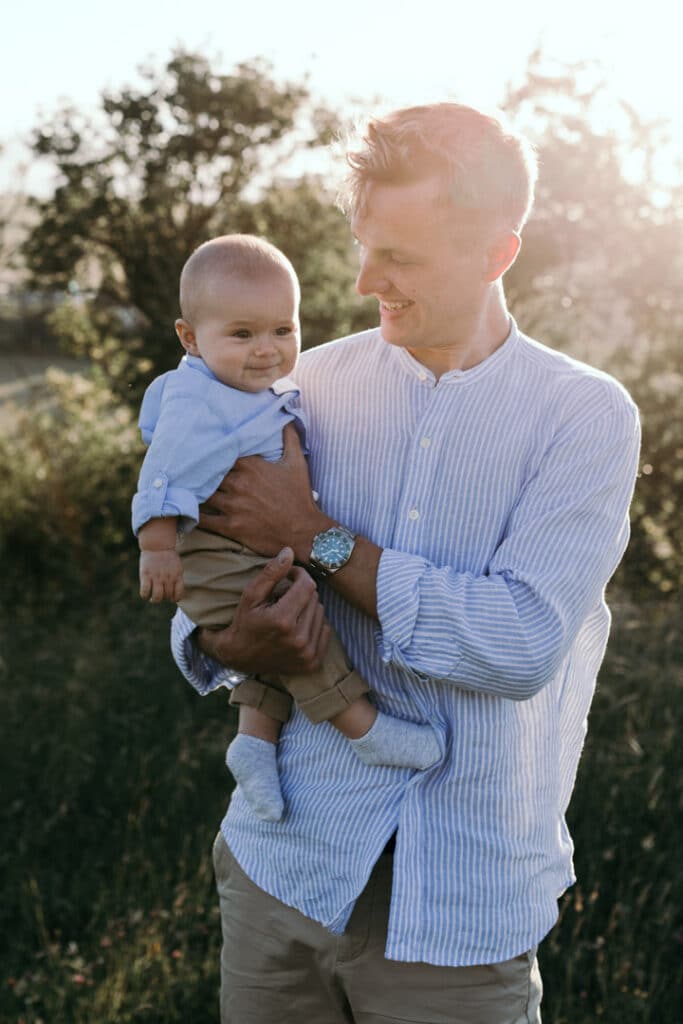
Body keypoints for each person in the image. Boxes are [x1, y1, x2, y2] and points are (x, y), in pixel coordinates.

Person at [171, 103, 641, 1023]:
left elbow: (516, 645)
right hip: (282, 871)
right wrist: (232, 633)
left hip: (459, 906)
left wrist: (318, 537)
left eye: (401, 258)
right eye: (364, 245)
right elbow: (207, 580)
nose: (361, 280)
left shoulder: (584, 417)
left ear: (497, 254)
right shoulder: (302, 384)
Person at [133, 234, 439, 822]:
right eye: (242, 334)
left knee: (283, 612)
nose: (267, 350)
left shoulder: (258, 388)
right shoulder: (198, 399)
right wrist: (158, 548)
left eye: (283, 330)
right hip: (212, 552)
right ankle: (361, 725)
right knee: (291, 610)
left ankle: (254, 741)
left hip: (248, 549)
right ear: (191, 339)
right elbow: (162, 472)